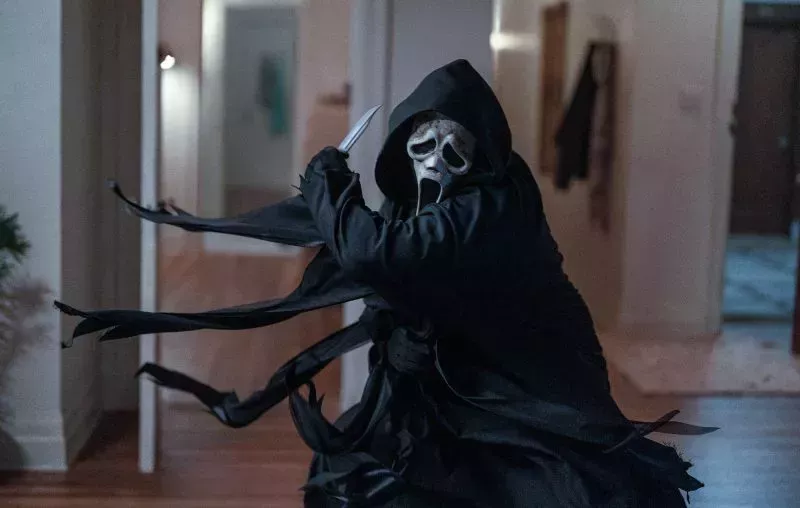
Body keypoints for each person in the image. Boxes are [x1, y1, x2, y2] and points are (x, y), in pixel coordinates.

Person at [57, 59, 715, 507]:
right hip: (455, 378)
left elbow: (378, 253)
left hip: (527, 374)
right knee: (369, 478)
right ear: (403, 146)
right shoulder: (433, 201)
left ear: (480, 154)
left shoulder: (490, 205)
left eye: (453, 151)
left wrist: (327, 181)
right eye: (422, 147)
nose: (436, 165)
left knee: (556, 486)